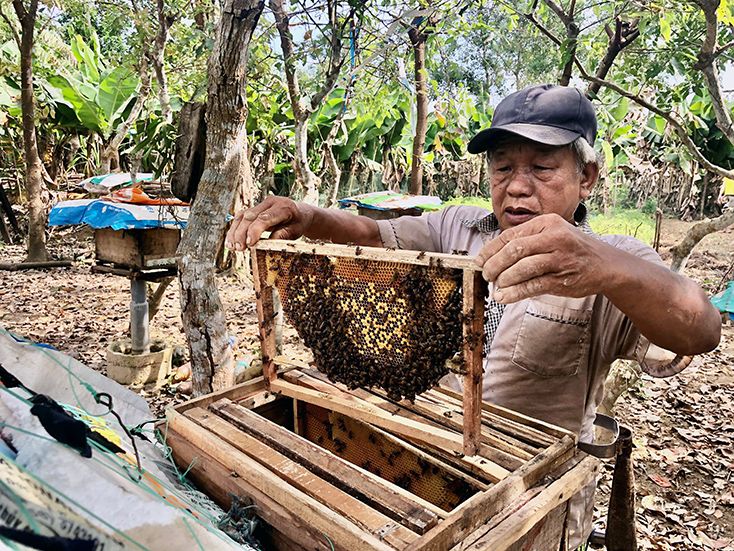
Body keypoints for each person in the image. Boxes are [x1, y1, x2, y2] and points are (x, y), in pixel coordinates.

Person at [226, 84, 721, 550]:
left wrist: (609, 270)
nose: (517, 188)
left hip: (526, 500)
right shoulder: (457, 225)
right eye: (502, 168)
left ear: (586, 178)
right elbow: (374, 235)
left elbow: (701, 330)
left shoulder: (615, 259)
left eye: (542, 168)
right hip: (423, 459)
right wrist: (310, 218)